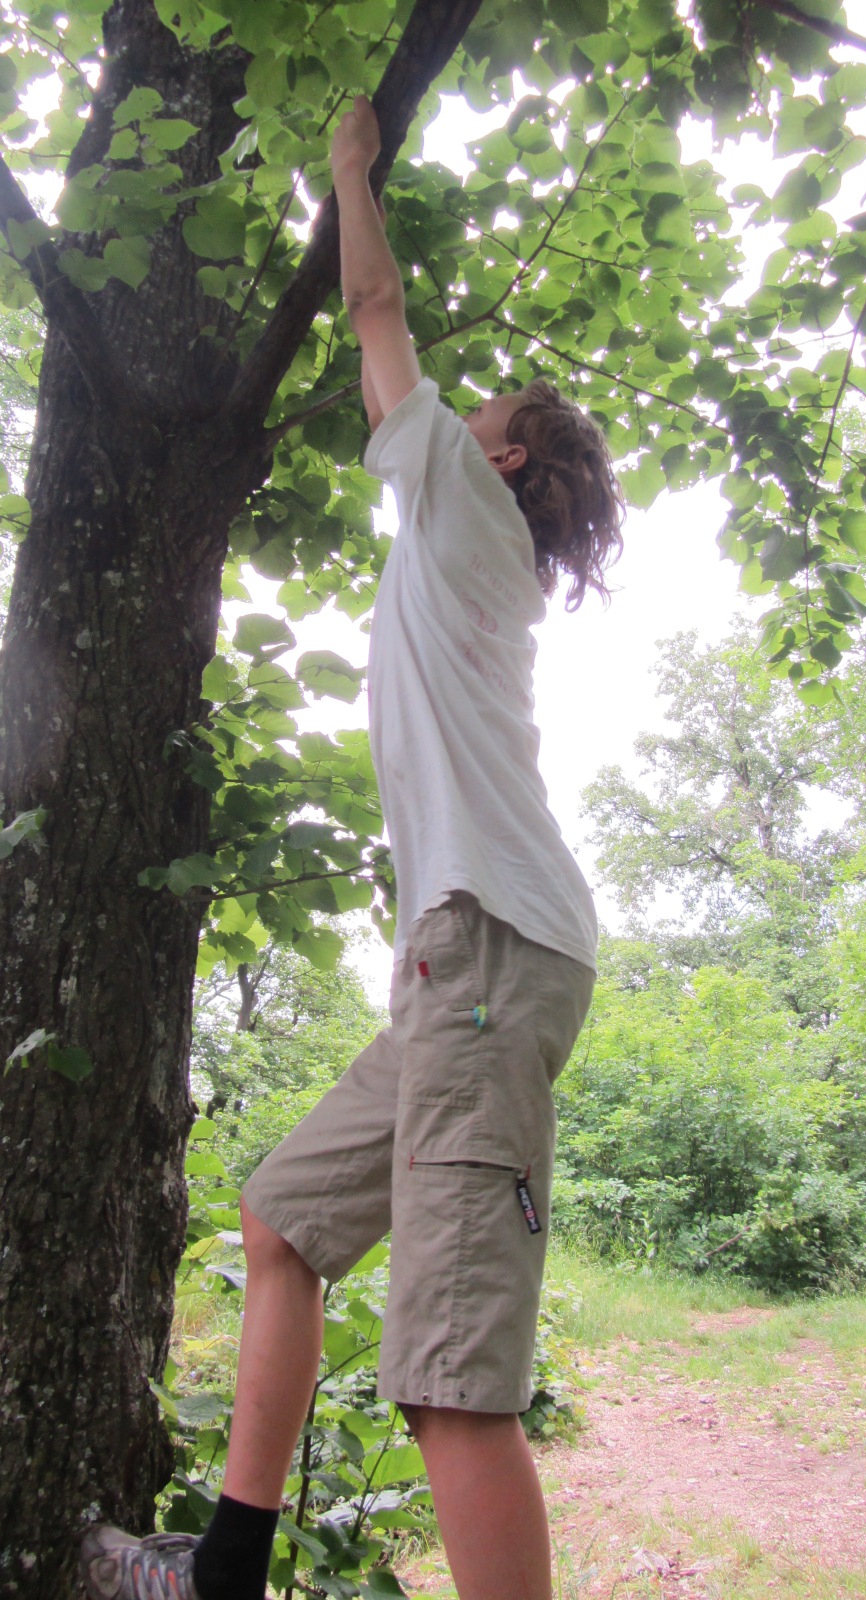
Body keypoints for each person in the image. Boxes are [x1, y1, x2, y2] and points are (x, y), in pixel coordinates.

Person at [82, 95, 623, 1600]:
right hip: (461, 963)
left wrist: (349, 169)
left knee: (450, 1378)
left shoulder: (461, 507)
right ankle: (226, 1571)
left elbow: (375, 306)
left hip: (489, 955)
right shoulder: (467, 544)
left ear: (499, 462)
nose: (457, 413)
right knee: (282, 1221)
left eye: (486, 412)